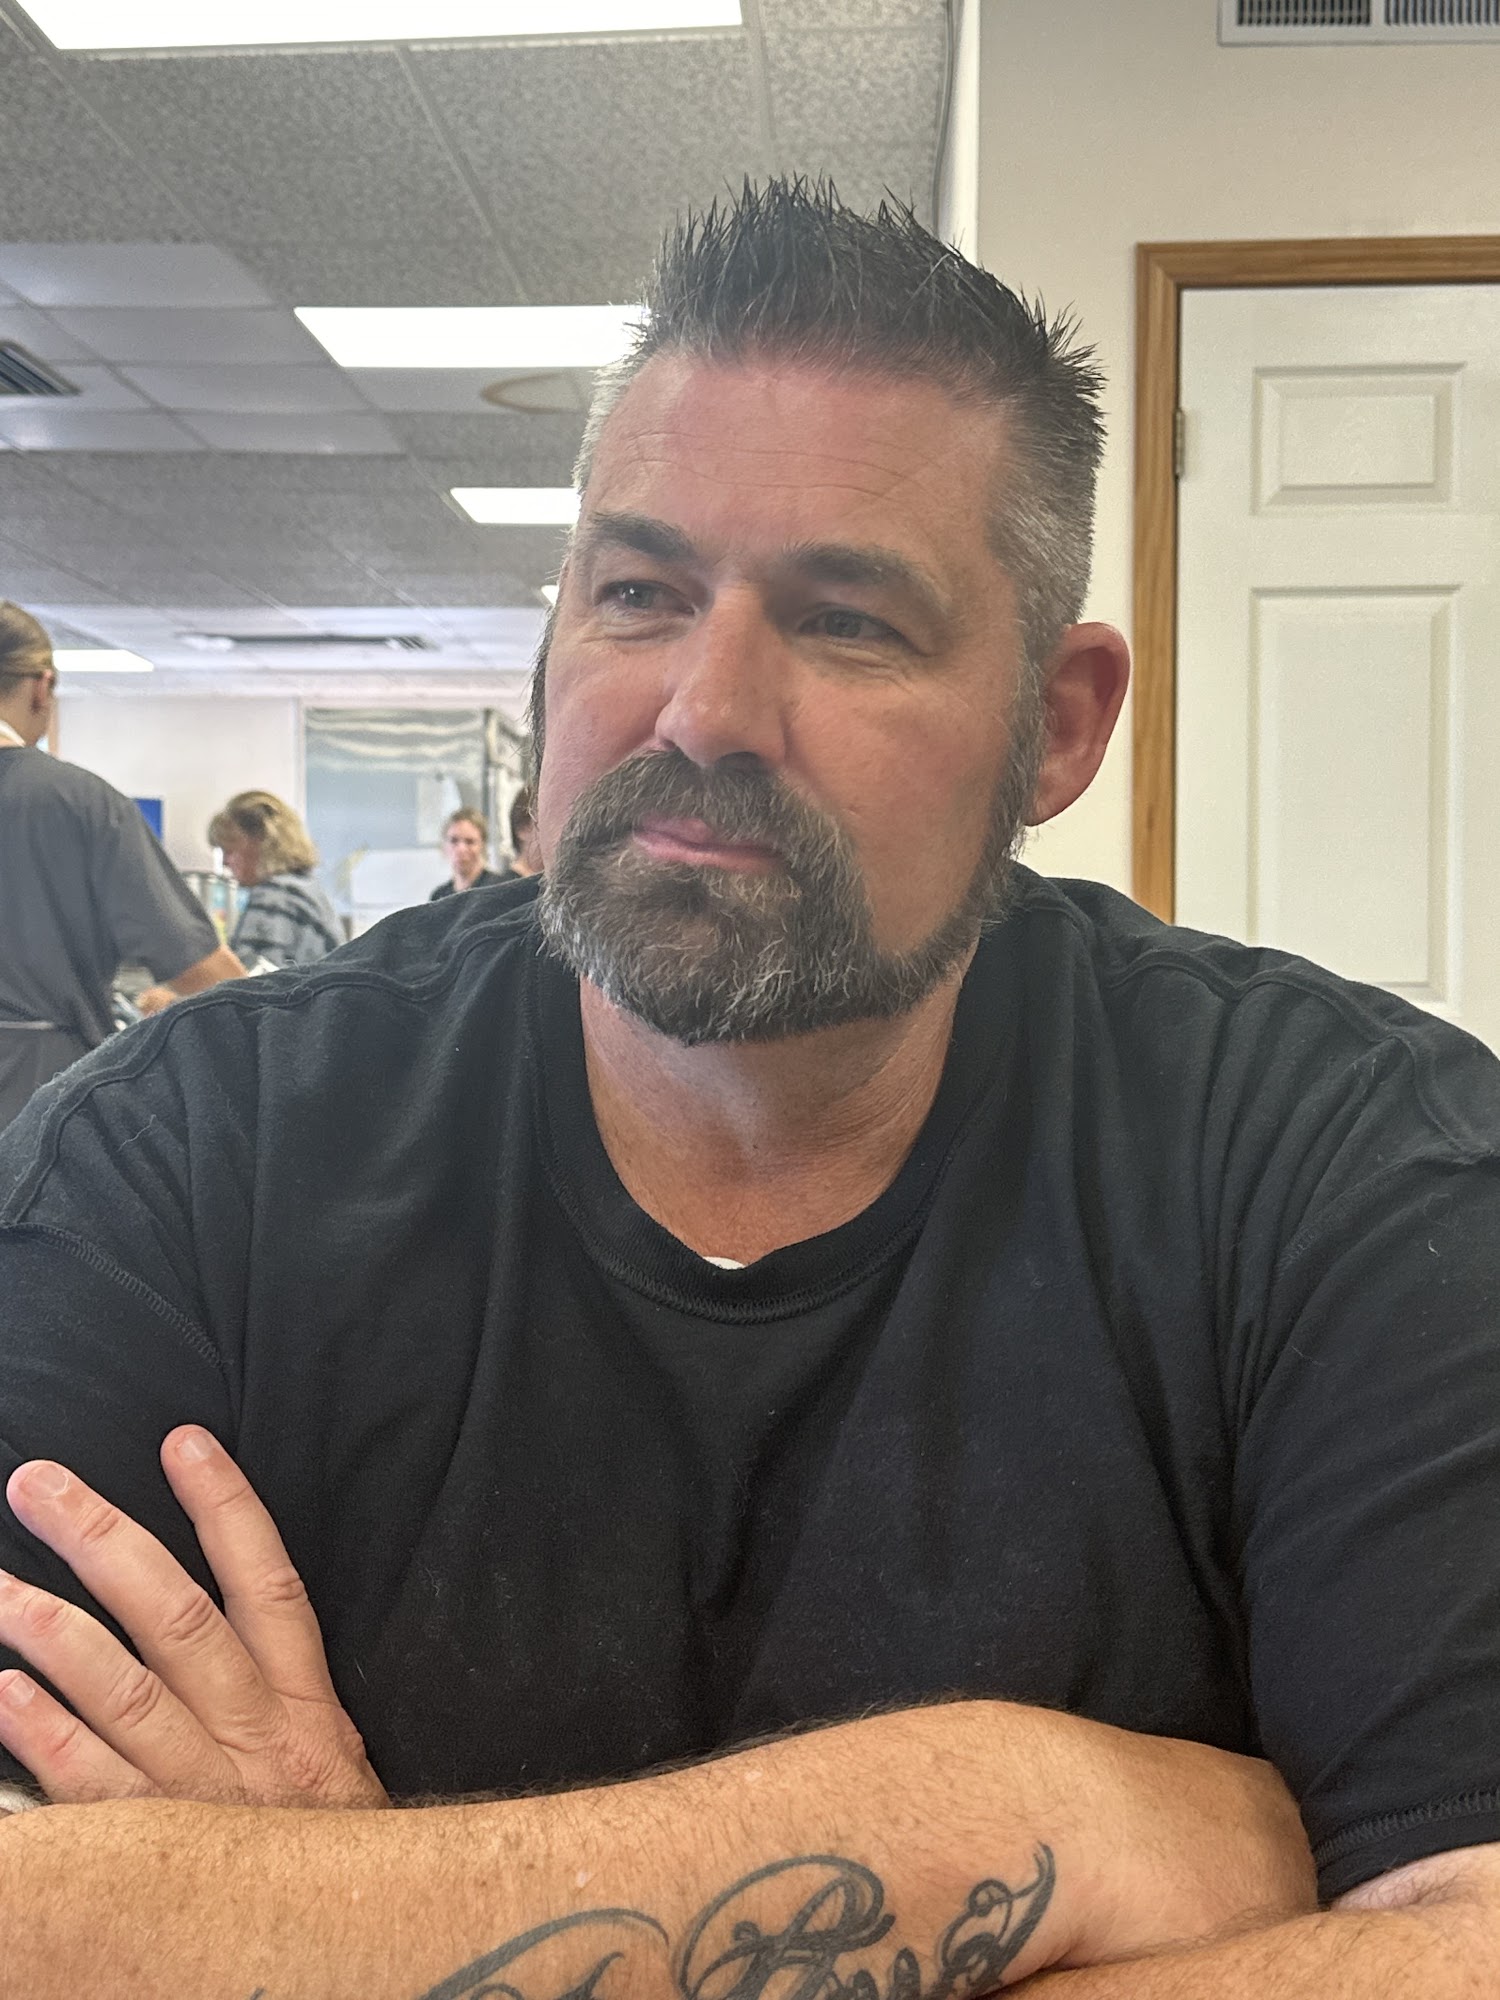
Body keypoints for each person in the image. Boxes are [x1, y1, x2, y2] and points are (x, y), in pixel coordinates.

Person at [0, 182, 1496, 1998]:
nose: (703, 709)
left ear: (1057, 725)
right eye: (638, 593)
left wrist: (303, 1915)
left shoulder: (1353, 1174)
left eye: (848, 620)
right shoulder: (181, 1161)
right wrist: (1013, 1820)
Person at [0, 602, 245, 1130]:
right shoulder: (80, 803)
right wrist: (278, 1021)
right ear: (42, 687)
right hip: (39, 1095)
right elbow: (194, 965)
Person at [193, 790, 341, 977]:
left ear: (261, 840)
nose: (225, 862)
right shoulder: (306, 890)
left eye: (230, 850)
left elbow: (251, 984)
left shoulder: (276, 896)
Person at [428, 805, 508, 899]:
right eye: (454, 840)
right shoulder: (439, 896)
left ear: (482, 845)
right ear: (444, 845)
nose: (461, 849)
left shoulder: (499, 889)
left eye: (470, 842)